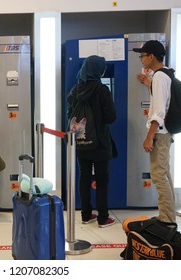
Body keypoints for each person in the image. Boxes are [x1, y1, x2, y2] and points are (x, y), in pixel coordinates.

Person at [67, 55, 117, 228]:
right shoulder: (102, 90)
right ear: (98, 70)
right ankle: (103, 217)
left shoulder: (75, 90)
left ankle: (86, 215)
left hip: (80, 140)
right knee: (102, 179)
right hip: (100, 142)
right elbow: (111, 117)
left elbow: (69, 116)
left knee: (84, 176)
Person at [134, 40, 176, 223]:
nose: (141, 59)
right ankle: (169, 216)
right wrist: (149, 84)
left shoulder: (159, 77)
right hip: (166, 132)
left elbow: (159, 113)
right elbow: (162, 102)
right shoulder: (165, 75)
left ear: (151, 56)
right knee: (164, 174)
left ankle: (166, 219)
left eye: (142, 56)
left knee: (159, 176)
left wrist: (149, 137)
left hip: (159, 133)